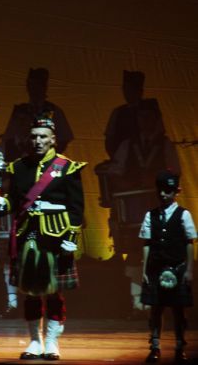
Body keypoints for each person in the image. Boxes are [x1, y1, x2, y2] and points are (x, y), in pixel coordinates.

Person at [0, 113, 86, 360]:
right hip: (27, 236)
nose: (38, 141)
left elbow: (76, 208)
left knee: (54, 293)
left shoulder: (67, 168)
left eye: (43, 137)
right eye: (33, 137)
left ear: (53, 139)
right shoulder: (18, 167)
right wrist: (2, 204)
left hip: (56, 237)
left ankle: (52, 342)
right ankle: (35, 341)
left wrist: (71, 238)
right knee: (30, 292)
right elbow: (15, 202)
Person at [0, 67, 74, 317]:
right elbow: (8, 141)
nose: (35, 87)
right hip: (23, 176)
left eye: (40, 83)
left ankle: (50, 324)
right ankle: (12, 299)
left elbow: (65, 139)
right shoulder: (19, 111)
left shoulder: (55, 110)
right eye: (32, 83)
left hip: (49, 179)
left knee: (48, 253)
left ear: (45, 85)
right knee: (15, 245)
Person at [101, 99, 180, 316]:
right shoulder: (128, 144)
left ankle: (157, 301)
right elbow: (114, 171)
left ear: (156, 119)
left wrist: (156, 181)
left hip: (158, 210)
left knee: (158, 254)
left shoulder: (165, 145)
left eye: (148, 117)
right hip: (134, 211)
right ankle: (137, 303)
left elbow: (175, 175)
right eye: (141, 117)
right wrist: (129, 181)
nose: (144, 121)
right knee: (136, 253)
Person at [140, 170, 195, 364]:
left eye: (168, 191)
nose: (163, 194)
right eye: (160, 191)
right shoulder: (150, 215)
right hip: (156, 269)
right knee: (155, 310)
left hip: (178, 268)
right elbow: (146, 244)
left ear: (176, 191)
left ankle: (180, 347)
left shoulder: (184, 215)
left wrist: (189, 270)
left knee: (179, 311)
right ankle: (155, 346)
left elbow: (189, 242)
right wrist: (144, 271)